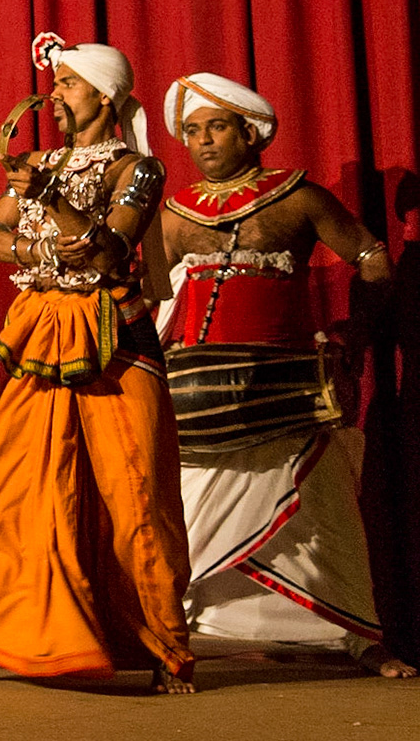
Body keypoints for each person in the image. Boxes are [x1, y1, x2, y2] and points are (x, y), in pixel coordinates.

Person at [0, 33, 196, 693]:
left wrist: (53, 202)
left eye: (68, 84)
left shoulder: (137, 169)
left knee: (134, 496)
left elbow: (110, 253)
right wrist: (47, 249)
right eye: (54, 83)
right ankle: (11, 630)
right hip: (45, 332)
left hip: (115, 341)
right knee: (8, 483)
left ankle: (166, 647)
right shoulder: (36, 162)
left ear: (105, 96)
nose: (54, 95)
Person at [157, 72, 414, 678]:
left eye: (216, 128)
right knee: (187, 516)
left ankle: (360, 637)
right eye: (192, 131)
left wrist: (353, 338)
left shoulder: (299, 196)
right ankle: (168, 628)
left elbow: (372, 259)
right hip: (197, 396)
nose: (202, 141)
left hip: (290, 390)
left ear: (249, 133)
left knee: (325, 520)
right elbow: (146, 295)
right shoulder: (174, 213)